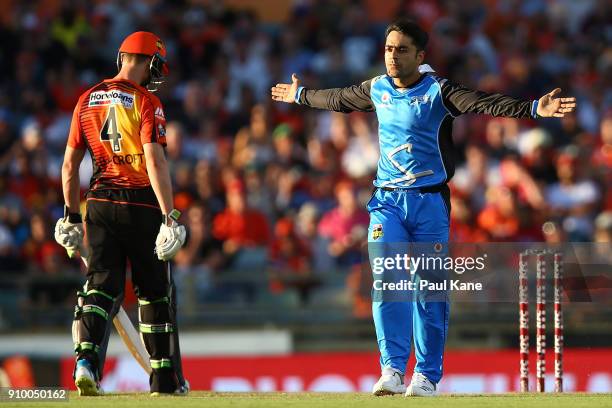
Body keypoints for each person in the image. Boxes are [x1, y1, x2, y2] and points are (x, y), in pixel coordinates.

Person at [271, 19, 576, 397]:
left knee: (428, 288)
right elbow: (338, 99)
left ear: (420, 55)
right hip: (387, 202)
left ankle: (427, 376)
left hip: (430, 202)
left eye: (401, 50)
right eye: (388, 49)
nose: (393, 57)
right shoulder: (376, 88)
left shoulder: (439, 91)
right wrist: (300, 96)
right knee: (388, 278)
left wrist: (532, 108)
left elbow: (483, 102)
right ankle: (392, 370)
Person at [53, 31, 188, 396]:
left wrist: (70, 215)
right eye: (154, 65)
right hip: (141, 203)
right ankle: (164, 381)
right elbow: (154, 160)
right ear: (146, 61)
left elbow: (68, 166)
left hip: (98, 203)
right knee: (155, 293)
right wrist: (169, 215)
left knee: (101, 287)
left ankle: (85, 362)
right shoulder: (146, 101)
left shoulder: (86, 99)